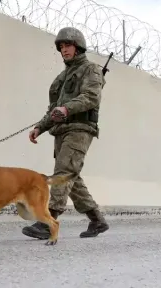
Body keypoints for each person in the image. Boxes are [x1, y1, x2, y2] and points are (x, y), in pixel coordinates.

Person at [23, 26, 110, 239]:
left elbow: (91, 97)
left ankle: (47, 222)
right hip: (61, 131)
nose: (64, 49)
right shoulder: (61, 79)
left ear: (78, 47)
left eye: (68, 45)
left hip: (80, 130)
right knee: (72, 177)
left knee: (62, 173)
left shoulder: (90, 70)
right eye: (61, 46)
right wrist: (39, 127)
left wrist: (67, 109)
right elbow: (53, 110)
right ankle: (97, 221)